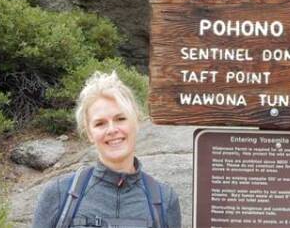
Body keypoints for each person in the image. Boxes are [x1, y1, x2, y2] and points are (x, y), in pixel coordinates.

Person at [32, 71, 181, 228]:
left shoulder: (165, 200)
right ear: (89, 133)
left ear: (136, 122)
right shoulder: (59, 194)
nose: (112, 130)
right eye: (100, 123)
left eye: (120, 119)